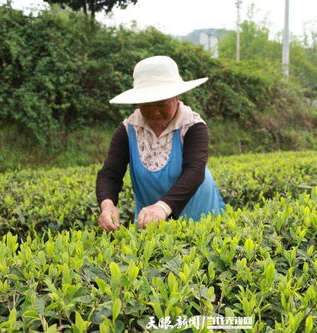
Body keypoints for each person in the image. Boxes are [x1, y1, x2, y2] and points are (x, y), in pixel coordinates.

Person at [96, 55, 225, 231]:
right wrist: (107, 205)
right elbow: (110, 174)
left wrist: (162, 207)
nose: (155, 112)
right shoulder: (128, 130)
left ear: (176, 97)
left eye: (162, 104)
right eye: (147, 105)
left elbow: (194, 171)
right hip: (150, 221)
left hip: (199, 215)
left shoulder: (192, 126)